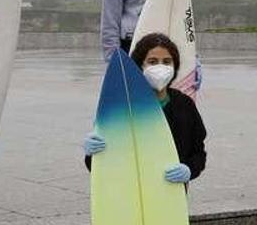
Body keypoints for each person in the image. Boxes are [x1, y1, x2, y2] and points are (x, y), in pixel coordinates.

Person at [83, 33, 208, 186]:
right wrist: (92, 153)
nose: (160, 67)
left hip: (171, 192)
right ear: (139, 65)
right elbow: (99, 165)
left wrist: (189, 170)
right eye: (152, 62)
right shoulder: (123, 106)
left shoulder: (184, 105)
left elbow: (198, 153)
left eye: (167, 62)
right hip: (131, 190)